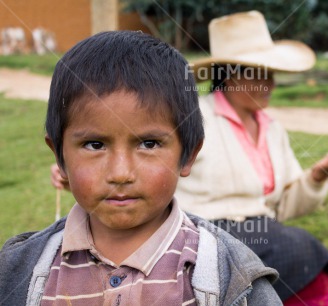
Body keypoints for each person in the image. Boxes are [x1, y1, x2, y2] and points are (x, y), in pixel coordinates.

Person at [0, 31, 282, 305]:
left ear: (188, 155)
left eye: (148, 144)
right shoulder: (17, 271)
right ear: (59, 157)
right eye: (95, 145)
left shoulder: (231, 276)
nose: (121, 173)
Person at [179, 11, 328, 305]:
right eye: (256, 74)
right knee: (297, 245)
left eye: (269, 73)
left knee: (301, 254)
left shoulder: (273, 130)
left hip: (263, 231)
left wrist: (317, 176)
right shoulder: (192, 119)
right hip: (205, 234)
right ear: (229, 75)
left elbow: (281, 205)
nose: (268, 83)